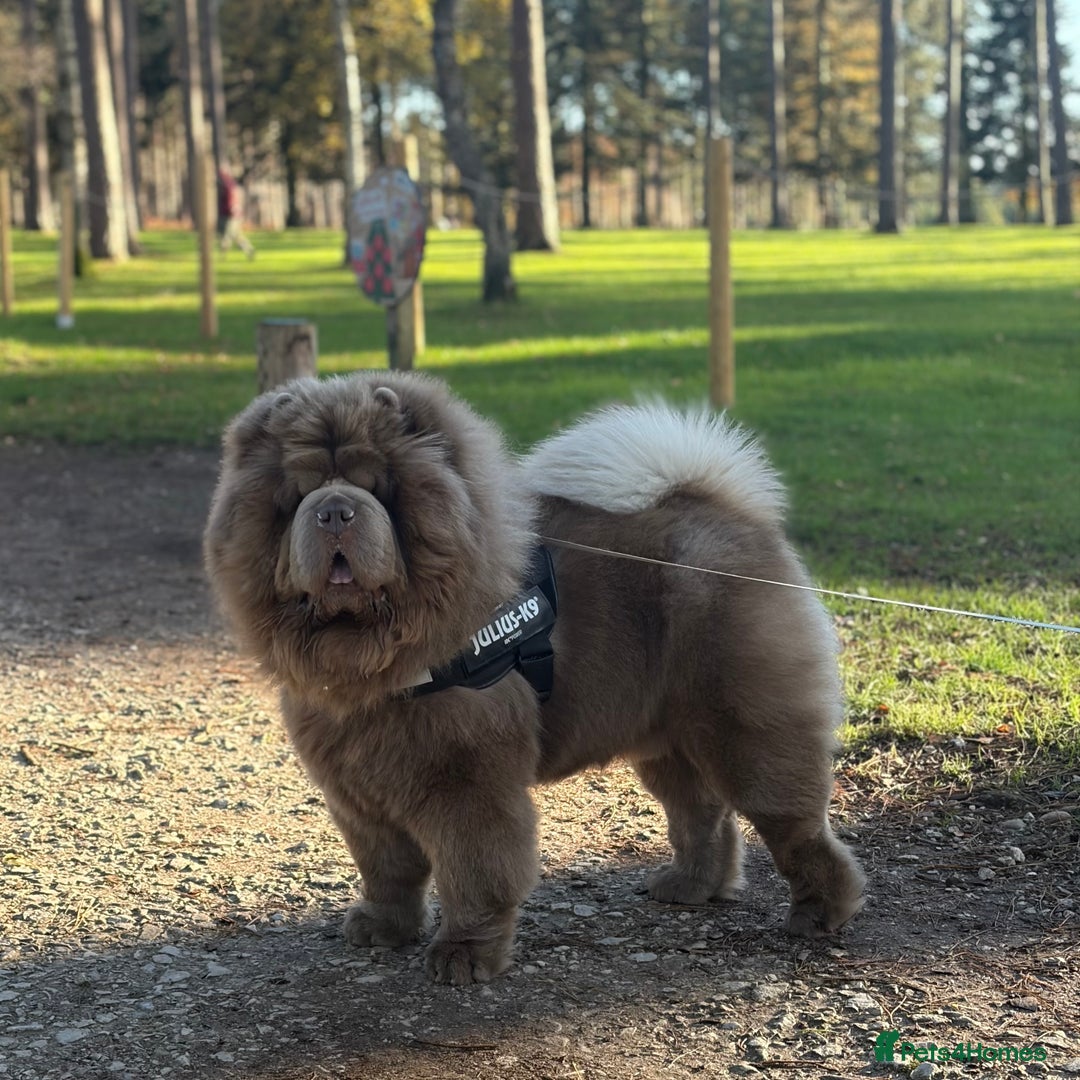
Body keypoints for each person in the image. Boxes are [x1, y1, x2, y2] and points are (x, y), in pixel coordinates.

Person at [217, 168, 255, 259]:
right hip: (230, 214)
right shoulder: (231, 185)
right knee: (235, 235)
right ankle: (248, 249)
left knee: (227, 234)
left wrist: (232, 209)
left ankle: (223, 254)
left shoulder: (228, 186)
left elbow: (231, 201)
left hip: (229, 215)